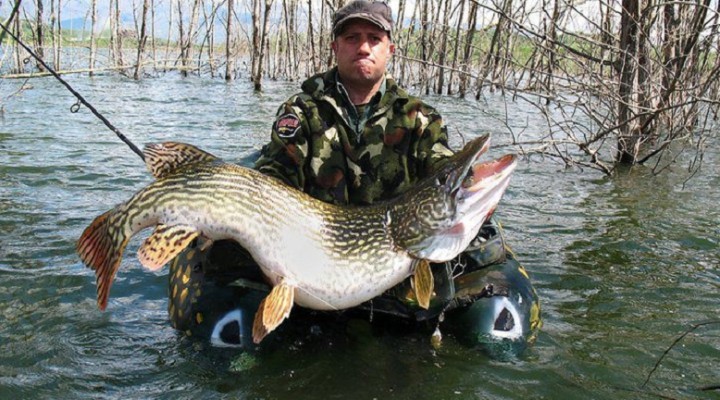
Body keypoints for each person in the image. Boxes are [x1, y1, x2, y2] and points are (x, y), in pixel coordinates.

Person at [168, 0, 540, 354]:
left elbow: (441, 170)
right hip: (306, 255)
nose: (363, 47)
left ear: (390, 49)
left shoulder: (419, 118)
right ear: (335, 47)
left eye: (374, 39)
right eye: (352, 38)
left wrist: (472, 196)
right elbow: (271, 179)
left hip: (391, 269)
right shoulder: (303, 112)